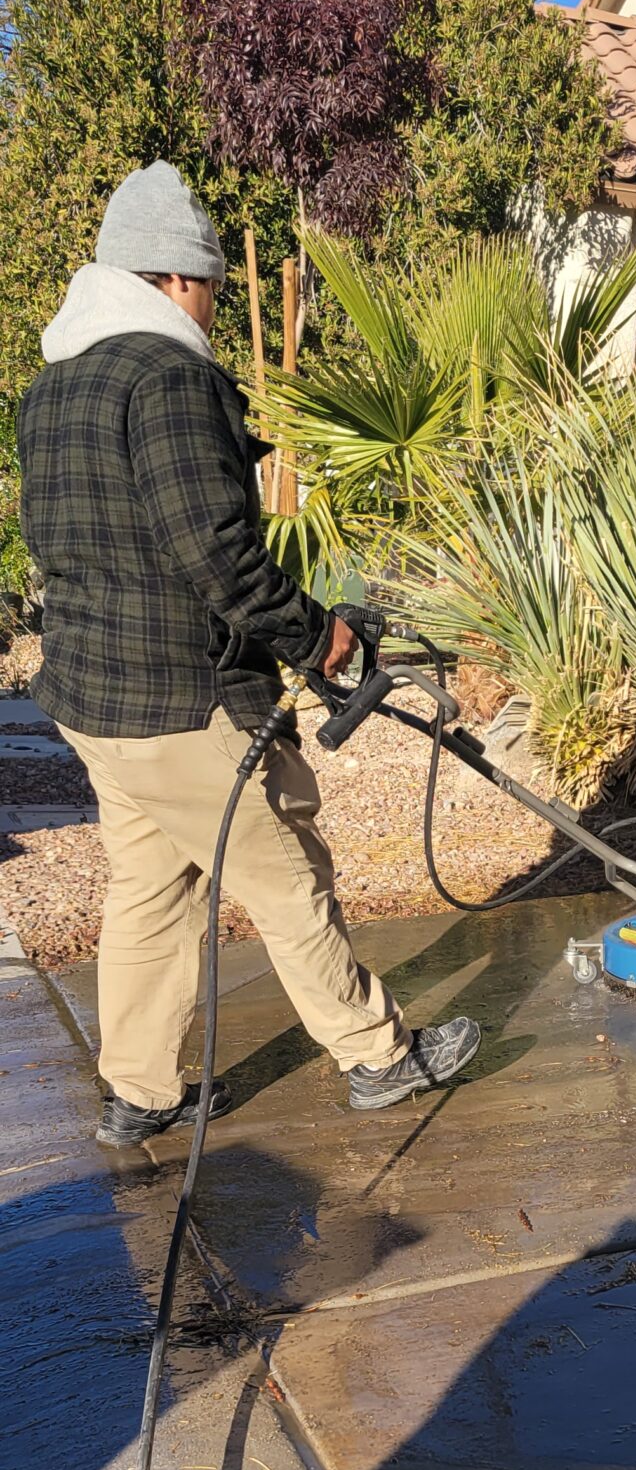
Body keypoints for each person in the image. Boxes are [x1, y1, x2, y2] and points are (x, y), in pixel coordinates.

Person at [17, 162, 479, 1147]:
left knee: (153, 885)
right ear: (174, 280)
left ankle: (137, 1093)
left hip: (93, 697)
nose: (218, 305)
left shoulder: (53, 388)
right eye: (214, 286)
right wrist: (318, 634)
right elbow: (216, 555)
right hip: (182, 701)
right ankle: (379, 1057)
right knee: (285, 872)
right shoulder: (171, 375)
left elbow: (84, 542)